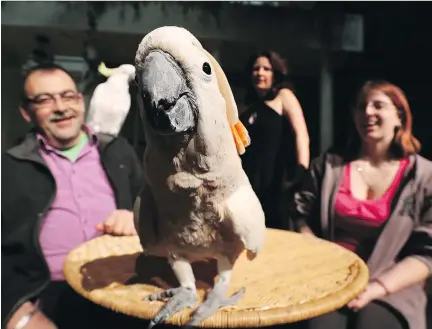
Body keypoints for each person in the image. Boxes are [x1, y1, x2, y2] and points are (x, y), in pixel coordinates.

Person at [2, 63, 144, 329]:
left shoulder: (119, 152)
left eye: (68, 96)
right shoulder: (8, 168)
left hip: (121, 287)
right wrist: (17, 314)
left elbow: (158, 210)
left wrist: (136, 218)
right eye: (44, 100)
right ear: (26, 112)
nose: (61, 107)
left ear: (80, 101)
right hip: (47, 297)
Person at [290, 80, 432, 329]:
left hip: (393, 287)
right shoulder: (329, 166)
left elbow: (426, 253)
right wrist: (321, 264)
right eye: (361, 106)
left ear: (399, 116)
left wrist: (375, 288)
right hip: (329, 280)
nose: (367, 112)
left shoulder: (423, 176)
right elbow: (299, 216)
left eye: (378, 105)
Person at [240, 50, 310, 229]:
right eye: (256, 69)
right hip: (250, 180)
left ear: (275, 73)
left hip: (277, 180)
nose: (260, 73)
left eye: (266, 69)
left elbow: (301, 134)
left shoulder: (283, 96)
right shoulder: (248, 109)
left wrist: (302, 169)